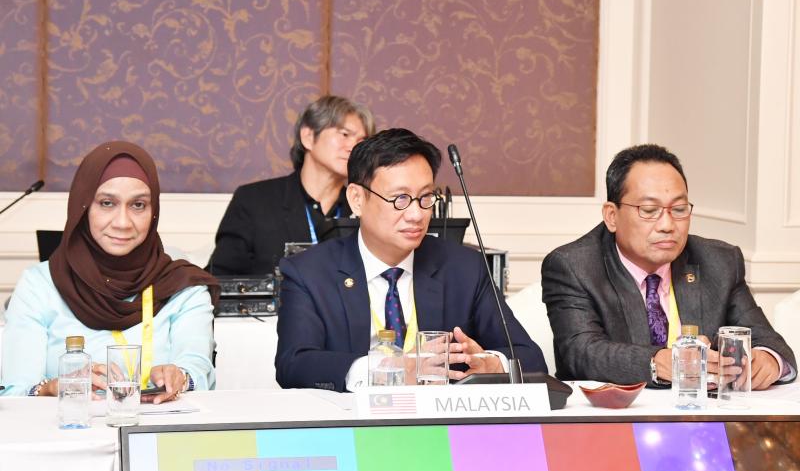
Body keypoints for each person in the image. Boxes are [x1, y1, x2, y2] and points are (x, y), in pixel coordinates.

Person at [275, 128, 547, 391]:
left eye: (426, 197)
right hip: (350, 420)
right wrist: (387, 371)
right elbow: (294, 364)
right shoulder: (309, 272)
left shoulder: (464, 269)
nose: (417, 214)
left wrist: (490, 364)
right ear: (357, 199)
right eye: (400, 199)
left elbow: (531, 358)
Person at [541, 144, 796, 388]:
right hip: (613, 414)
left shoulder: (720, 261)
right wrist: (658, 363)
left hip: (701, 412)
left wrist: (768, 359)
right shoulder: (574, 266)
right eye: (649, 210)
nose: (667, 225)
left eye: (679, 209)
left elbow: (767, 341)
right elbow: (582, 352)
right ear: (612, 215)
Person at [0, 141, 220, 402]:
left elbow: (199, 372)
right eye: (107, 203)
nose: (123, 222)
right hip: (71, 425)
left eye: (138, 205)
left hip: (160, 426)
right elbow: (16, 392)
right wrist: (53, 387)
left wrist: (182, 377)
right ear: (82, 207)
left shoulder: (182, 286)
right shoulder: (40, 286)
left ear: (154, 212)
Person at [207, 95, 375, 275]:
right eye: (344, 135)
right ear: (308, 136)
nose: (353, 147)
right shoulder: (254, 201)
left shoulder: (367, 209)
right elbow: (220, 278)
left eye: (361, 141)